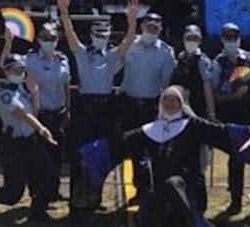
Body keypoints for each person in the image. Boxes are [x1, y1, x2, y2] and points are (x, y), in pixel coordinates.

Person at [79, 85, 250, 227]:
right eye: (166, 100)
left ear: (181, 103)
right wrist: (89, 151)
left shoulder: (192, 125)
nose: (170, 103)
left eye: (174, 100)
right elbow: (118, 144)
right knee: (165, 189)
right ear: (161, 102)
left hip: (188, 190)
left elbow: (221, 132)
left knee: (174, 182)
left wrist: (247, 130)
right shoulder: (148, 130)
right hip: (155, 193)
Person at [57, 0, 139, 217]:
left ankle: (95, 199)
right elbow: (70, 33)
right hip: (85, 106)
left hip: (105, 108)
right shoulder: (82, 53)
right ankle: (75, 203)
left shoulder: (112, 55)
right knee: (79, 155)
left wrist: (132, 22)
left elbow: (128, 43)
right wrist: (64, 12)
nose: (101, 38)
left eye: (105, 35)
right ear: (91, 35)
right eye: (97, 34)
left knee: (101, 155)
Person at [0, 35, 59, 221]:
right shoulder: (5, 93)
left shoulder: (23, 90)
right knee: (12, 195)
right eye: (15, 69)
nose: (19, 73)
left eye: (22, 69)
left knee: (48, 176)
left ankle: (38, 213)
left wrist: (35, 94)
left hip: (31, 142)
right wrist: (42, 130)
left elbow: (35, 112)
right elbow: (24, 115)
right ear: (6, 71)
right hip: (16, 146)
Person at [211, 22, 250, 215]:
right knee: (236, 161)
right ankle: (235, 202)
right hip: (232, 117)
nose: (232, 40)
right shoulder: (217, 63)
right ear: (222, 40)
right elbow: (216, 94)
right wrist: (233, 95)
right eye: (228, 37)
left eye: (235, 37)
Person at [120, 12, 176, 203]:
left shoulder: (166, 52)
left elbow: (166, 84)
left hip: (152, 107)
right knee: (135, 151)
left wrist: (164, 111)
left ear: (161, 29)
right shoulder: (129, 45)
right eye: (148, 25)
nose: (151, 28)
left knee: (154, 151)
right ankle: (141, 191)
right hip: (128, 104)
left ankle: (157, 192)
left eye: (156, 26)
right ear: (141, 26)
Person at [23, 21, 71, 201]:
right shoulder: (30, 59)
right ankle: (36, 192)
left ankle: (53, 191)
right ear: (38, 39)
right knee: (39, 158)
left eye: (52, 38)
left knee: (57, 155)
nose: (49, 41)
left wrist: (68, 109)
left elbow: (66, 86)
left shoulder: (63, 59)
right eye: (45, 38)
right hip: (39, 115)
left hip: (58, 113)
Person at [169, 24, 216, 212]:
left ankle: (199, 206)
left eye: (195, 38)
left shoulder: (203, 61)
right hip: (177, 116)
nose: (191, 41)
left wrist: (211, 114)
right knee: (179, 159)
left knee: (198, 163)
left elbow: (207, 88)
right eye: (189, 38)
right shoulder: (178, 59)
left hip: (196, 116)